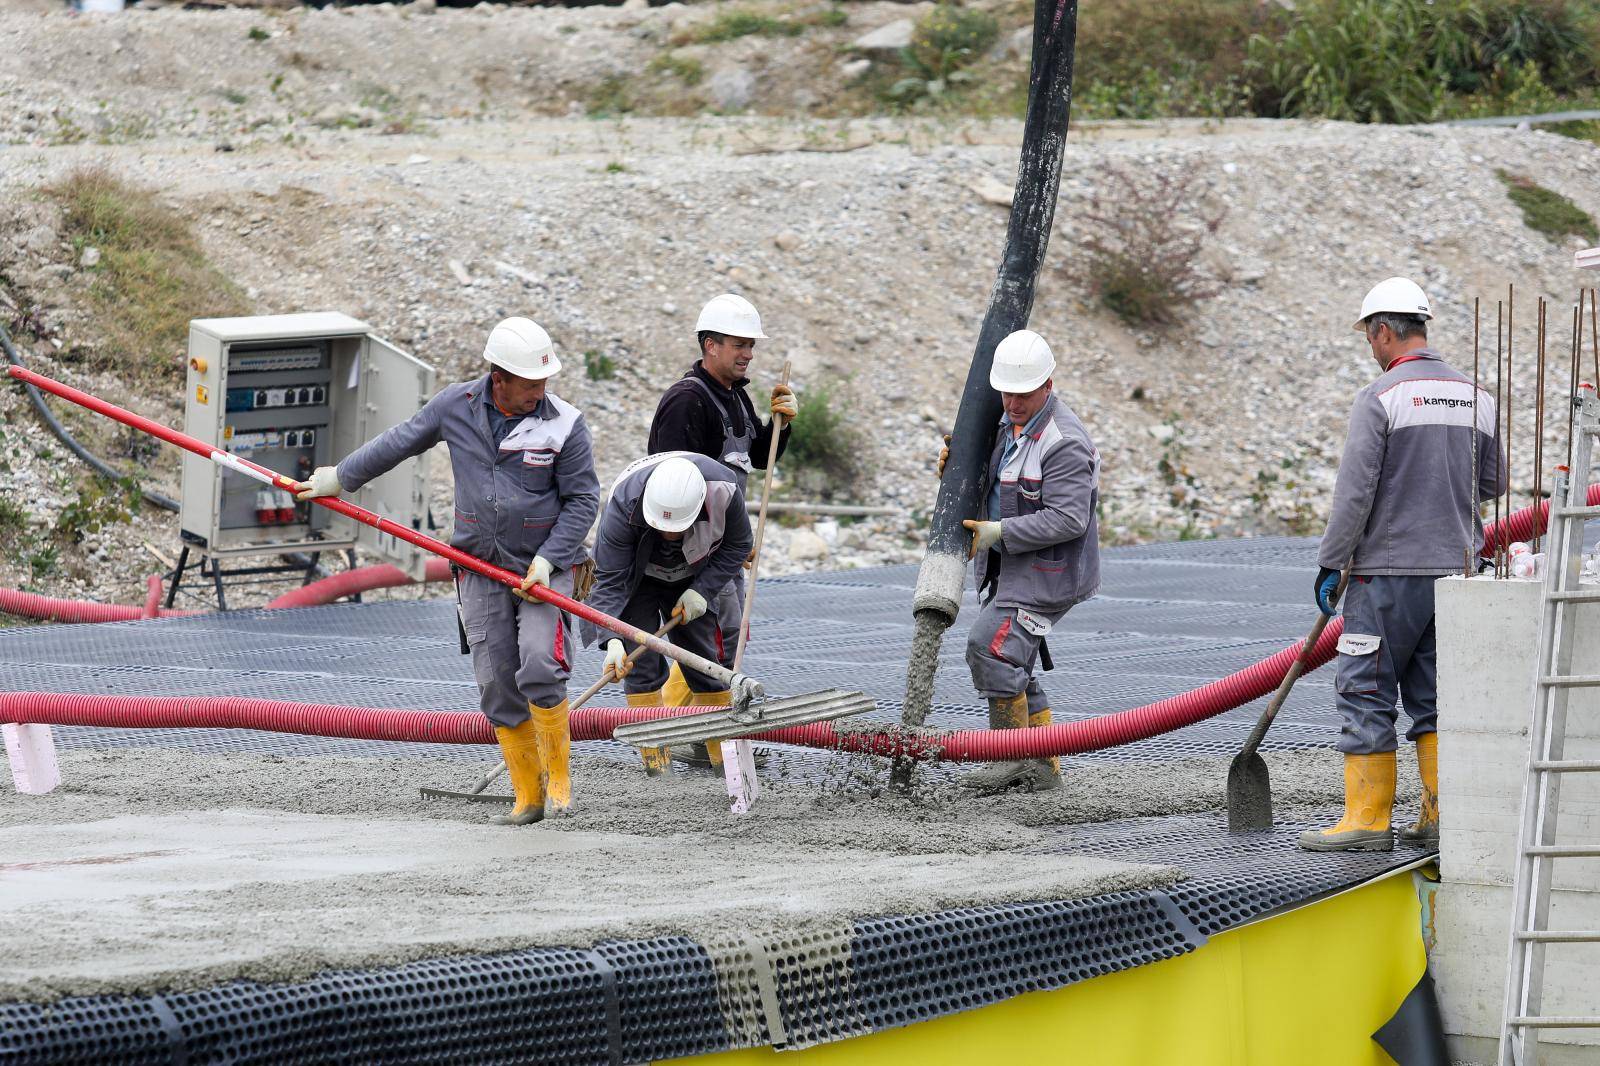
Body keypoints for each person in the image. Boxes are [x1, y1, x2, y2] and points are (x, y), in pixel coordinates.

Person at [295, 317, 600, 826]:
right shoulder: (454, 408)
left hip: (543, 567)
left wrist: (549, 560)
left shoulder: (566, 424)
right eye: (529, 383)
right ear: (498, 377)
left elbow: (584, 498)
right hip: (478, 568)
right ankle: (528, 797)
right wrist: (340, 477)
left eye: (544, 381)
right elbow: (401, 440)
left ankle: (560, 778)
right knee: (497, 683)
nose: (539, 392)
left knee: (540, 665)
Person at [1299, 277, 1505, 852]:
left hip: (1386, 574)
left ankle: (1366, 820)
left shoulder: (1381, 397)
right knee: (1436, 694)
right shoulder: (1476, 397)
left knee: (1364, 686)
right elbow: (1493, 483)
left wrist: (1331, 563)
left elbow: (1355, 493)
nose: (1369, 346)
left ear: (1384, 330)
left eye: (1369, 335)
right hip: (1460, 572)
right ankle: (1439, 814)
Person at [947, 329, 1101, 793]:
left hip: (1047, 575)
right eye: (1006, 392)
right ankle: (1044, 770)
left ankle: (1010, 758)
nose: (1012, 402)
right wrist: (956, 467)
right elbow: (998, 471)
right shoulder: (1009, 420)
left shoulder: (1064, 442)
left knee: (990, 647)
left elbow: (1070, 519)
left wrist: (1001, 532)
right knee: (1015, 662)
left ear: (1048, 385)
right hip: (1011, 568)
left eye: (1023, 393)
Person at [645, 293, 797, 756]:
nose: (748, 354)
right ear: (710, 344)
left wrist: (780, 427)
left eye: (751, 345)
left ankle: (702, 735)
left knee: (724, 637)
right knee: (713, 640)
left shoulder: (734, 396)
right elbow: (669, 482)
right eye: (739, 344)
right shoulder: (686, 403)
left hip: (723, 543)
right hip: (693, 551)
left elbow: (755, 459)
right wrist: (692, 550)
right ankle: (701, 738)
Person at [583, 452, 753, 774]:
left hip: (694, 574)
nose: (669, 536)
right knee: (639, 665)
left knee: (707, 666)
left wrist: (702, 591)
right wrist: (611, 640)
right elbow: (609, 578)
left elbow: (738, 544)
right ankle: (658, 768)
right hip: (639, 580)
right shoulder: (625, 503)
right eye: (663, 527)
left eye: (678, 528)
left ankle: (728, 766)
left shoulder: (724, 490)